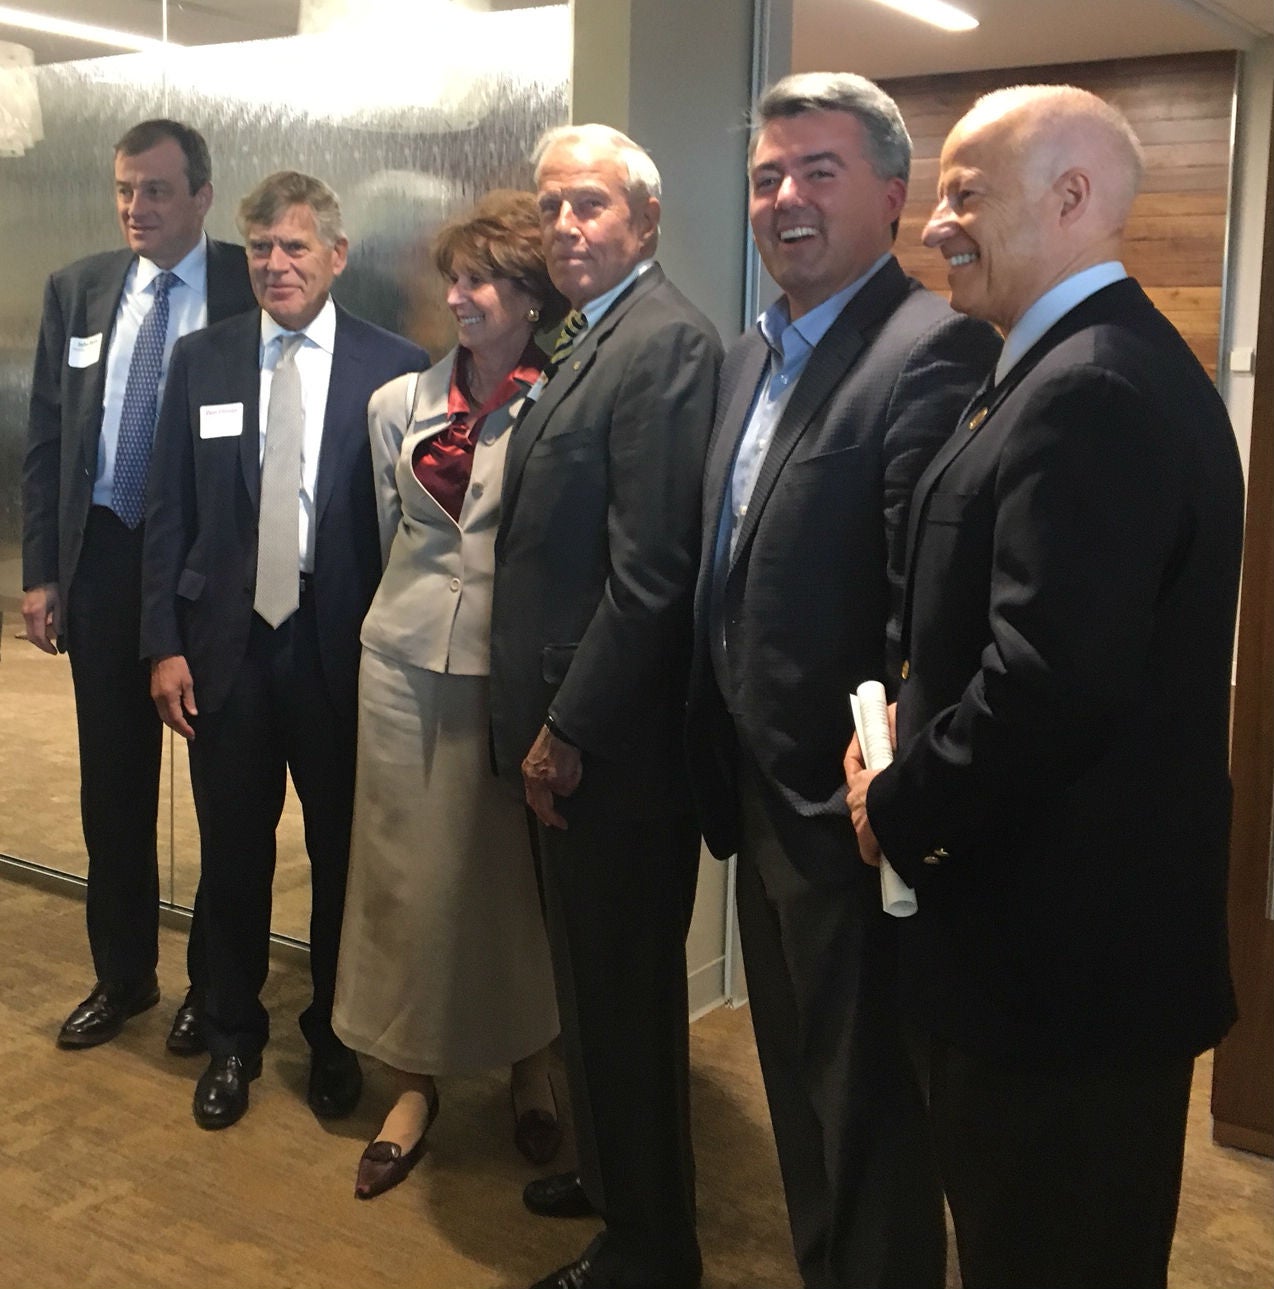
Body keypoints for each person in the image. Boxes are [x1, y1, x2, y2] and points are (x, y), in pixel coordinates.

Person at [844, 84, 1244, 1289]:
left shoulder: (1089, 388)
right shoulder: (1057, 364)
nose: (935, 227)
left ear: (1072, 198)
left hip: (1060, 974)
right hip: (1052, 957)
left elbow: (1049, 681)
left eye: (965, 192)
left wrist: (897, 800)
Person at [685, 72, 1000, 1289]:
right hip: (754, 789)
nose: (784, 198)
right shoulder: (748, 351)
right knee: (798, 1096)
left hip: (840, 808)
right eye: (767, 176)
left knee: (865, 1122)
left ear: (889, 192)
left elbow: (913, 614)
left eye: (817, 172)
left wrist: (868, 787)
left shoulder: (929, 349)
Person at [140, 171, 426, 1131]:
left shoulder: (398, 372)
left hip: (342, 653)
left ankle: (335, 1035)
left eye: (295, 246)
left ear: (336, 256)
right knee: (231, 854)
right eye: (260, 247)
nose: (276, 265)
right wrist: (163, 646)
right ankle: (231, 1038)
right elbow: (167, 511)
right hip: (225, 651)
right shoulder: (203, 361)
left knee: (345, 854)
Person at [488, 124, 722, 1289]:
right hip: (565, 730)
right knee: (584, 979)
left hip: (609, 746)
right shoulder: (589, 334)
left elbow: (652, 574)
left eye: (590, 205)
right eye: (551, 207)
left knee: (624, 999)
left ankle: (648, 1244)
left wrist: (565, 726)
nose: (566, 226)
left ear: (644, 217)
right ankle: (609, 1175)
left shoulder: (664, 343)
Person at [332, 190, 566, 1201]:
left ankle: (530, 1063)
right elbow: (385, 536)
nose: (458, 297)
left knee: (512, 885)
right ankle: (409, 1081)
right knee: (403, 884)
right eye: (454, 279)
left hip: (509, 678)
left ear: (528, 296)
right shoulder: (398, 402)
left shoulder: (560, 399)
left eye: (480, 281)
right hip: (398, 665)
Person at [21, 118, 256, 1056]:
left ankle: (215, 983)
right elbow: (48, 439)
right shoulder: (78, 289)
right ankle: (122, 974)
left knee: (222, 794)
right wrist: (43, 569)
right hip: (108, 558)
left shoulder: (254, 283)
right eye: (125, 189)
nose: (136, 207)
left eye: (156, 190)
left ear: (201, 195)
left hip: (212, 571)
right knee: (112, 786)